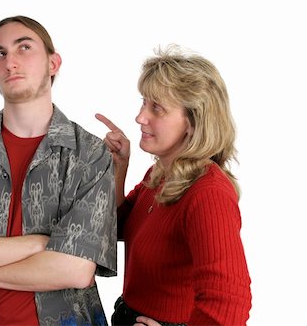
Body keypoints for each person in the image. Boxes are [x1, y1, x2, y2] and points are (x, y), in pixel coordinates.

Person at [0, 15, 117, 326]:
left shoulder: (90, 154)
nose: (10, 62)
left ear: (53, 64)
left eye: (23, 48)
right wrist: (40, 243)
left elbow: (75, 270)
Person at [96, 45, 252, 326]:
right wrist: (119, 168)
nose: (140, 117)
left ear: (192, 122)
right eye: (143, 102)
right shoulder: (160, 173)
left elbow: (229, 306)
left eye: (157, 108)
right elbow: (119, 228)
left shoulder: (209, 193)